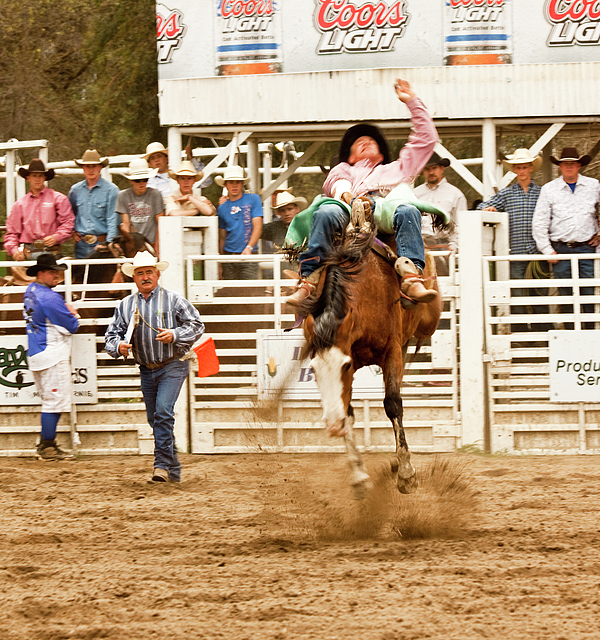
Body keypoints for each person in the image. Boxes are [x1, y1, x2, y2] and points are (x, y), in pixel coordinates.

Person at [287, 78, 438, 306]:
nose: (366, 142)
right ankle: (310, 277)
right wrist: (348, 197)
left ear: (380, 152)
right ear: (350, 156)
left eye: (370, 140)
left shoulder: (397, 168)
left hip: (385, 207)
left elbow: (427, 139)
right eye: (359, 142)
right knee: (326, 212)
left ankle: (411, 275)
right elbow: (337, 183)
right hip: (348, 209)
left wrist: (412, 101)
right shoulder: (343, 169)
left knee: (407, 209)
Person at [105, 251, 204, 483]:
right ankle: (173, 465)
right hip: (146, 368)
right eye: (140, 273)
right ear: (134, 278)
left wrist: (176, 334)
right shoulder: (125, 305)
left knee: (162, 412)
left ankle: (160, 466)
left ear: (157, 274)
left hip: (172, 364)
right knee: (156, 418)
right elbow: (111, 336)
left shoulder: (174, 299)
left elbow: (197, 324)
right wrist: (118, 346)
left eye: (149, 272)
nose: (145, 276)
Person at [477, 148, 552, 331]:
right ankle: (519, 334)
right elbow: (482, 205)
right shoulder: (507, 194)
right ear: (515, 170)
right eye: (518, 167)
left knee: (539, 295)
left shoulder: (542, 193)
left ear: (531, 168)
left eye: (525, 167)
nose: (522, 171)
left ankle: (541, 334)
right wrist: (490, 209)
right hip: (516, 254)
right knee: (516, 295)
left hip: (537, 254)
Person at [532, 147, 600, 329]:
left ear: (579, 165)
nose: (568, 167)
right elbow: (539, 221)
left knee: (589, 294)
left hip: (587, 247)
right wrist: (547, 250)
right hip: (561, 249)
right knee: (566, 295)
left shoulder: (594, 186)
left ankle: (591, 338)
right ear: (560, 166)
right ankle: (571, 338)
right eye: (565, 164)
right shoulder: (549, 189)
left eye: (572, 164)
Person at [23, 254, 80, 460]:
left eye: (57, 271)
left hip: (37, 352)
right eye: (52, 271)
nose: (57, 275)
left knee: (50, 400)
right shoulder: (50, 297)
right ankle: (47, 446)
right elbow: (72, 326)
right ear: (41, 273)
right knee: (54, 402)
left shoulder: (30, 290)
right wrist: (73, 312)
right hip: (52, 354)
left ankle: (47, 443)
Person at [4, 159, 74, 261]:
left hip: (52, 252)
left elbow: (68, 222)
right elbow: (12, 232)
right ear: (28, 178)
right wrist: (14, 250)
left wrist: (56, 237)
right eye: (34, 176)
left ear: (45, 177)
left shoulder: (58, 199)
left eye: (40, 176)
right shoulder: (20, 204)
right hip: (28, 253)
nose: (37, 179)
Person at [414, 152, 467, 276]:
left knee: (445, 283)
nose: (431, 172)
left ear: (441, 169)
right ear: (423, 171)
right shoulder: (416, 194)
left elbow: (461, 224)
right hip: (420, 245)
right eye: (427, 169)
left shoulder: (455, 194)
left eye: (434, 168)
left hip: (444, 245)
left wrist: (454, 246)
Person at [68, 149, 120, 258]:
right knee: (80, 274)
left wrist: (109, 244)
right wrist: (72, 231)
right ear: (83, 168)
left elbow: (112, 218)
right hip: (81, 244)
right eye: (87, 166)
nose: (91, 170)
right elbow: (70, 214)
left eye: (94, 166)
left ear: (100, 167)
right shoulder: (75, 190)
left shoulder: (111, 190)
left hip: (102, 243)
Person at [216, 165, 263, 280]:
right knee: (230, 292)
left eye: (238, 181)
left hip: (249, 254)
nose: (235, 185)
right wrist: (220, 263)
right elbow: (222, 237)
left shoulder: (254, 199)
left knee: (250, 291)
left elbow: (258, 226)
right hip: (228, 256)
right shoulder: (221, 208)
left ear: (242, 184)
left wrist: (249, 247)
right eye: (231, 182)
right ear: (225, 185)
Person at [116, 159, 165, 255]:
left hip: (151, 242)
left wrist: (158, 245)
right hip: (134, 244)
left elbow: (160, 222)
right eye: (137, 180)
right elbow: (125, 223)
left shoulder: (155, 194)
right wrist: (128, 244)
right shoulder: (123, 195)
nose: (141, 183)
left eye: (145, 179)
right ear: (131, 181)